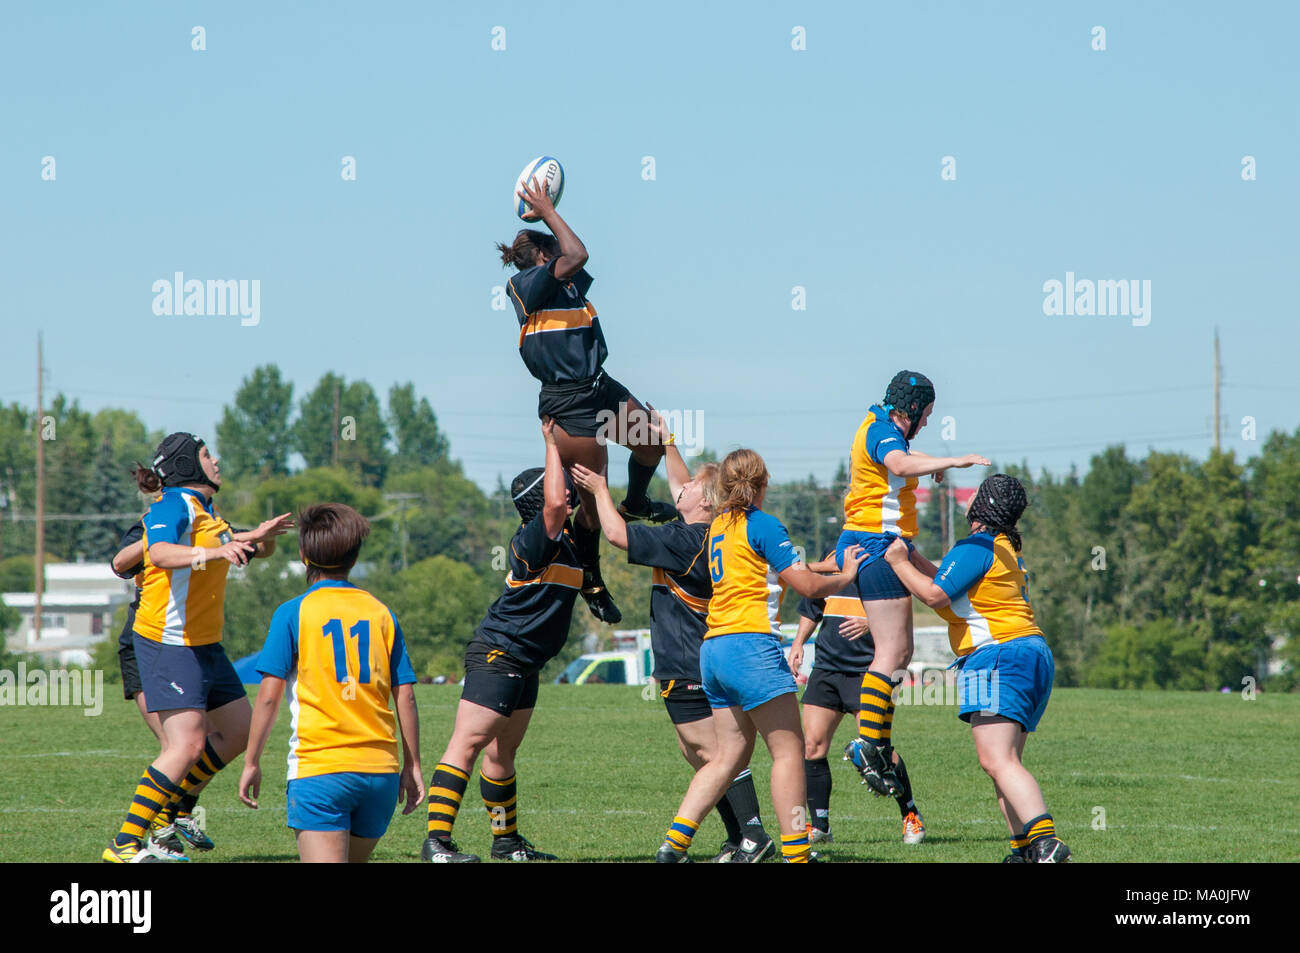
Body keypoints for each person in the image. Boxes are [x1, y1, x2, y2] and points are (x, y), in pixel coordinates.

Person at [571, 413, 776, 863]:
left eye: (689, 488)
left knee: (715, 754)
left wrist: (601, 490)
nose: (677, 488)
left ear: (707, 502)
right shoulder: (701, 528)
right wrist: (666, 442)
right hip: (681, 659)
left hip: (689, 659)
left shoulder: (688, 540)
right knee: (701, 754)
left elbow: (615, 533)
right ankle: (737, 836)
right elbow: (683, 481)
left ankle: (753, 836)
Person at [652, 448, 864, 864]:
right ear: (762, 484)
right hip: (752, 647)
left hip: (713, 650)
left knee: (728, 757)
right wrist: (846, 576)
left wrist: (820, 566)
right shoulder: (763, 524)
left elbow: (766, 568)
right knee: (788, 752)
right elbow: (804, 586)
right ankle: (798, 854)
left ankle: (673, 846)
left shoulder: (716, 528)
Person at [101, 433, 292, 863]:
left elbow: (250, 550)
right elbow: (164, 553)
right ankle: (125, 845)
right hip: (168, 640)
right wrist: (218, 551)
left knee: (240, 729)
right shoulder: (174, 505)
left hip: (203, 643)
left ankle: (174, 810)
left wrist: (262, 536)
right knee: (184, 745)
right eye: (207, 454)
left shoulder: (206, 511)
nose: (217, 460)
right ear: (188, 464)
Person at [499, 177, 674, 627]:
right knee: (594, 510)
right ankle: (591, 580)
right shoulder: (526, 285)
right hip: (569, 404)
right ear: (543, 257)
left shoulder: (567, 283)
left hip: (600, 387)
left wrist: (548, 219)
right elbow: (576, 252)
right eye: (552, 250)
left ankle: (637, 503)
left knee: (654, 441)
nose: (561, 255)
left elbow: (575, 258)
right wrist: (547, 210)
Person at [883, 473, 1070, 863]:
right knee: (1004, 764)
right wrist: (915, 557)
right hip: (1031, 653)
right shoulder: (1001, 547)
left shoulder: (975, 545)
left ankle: (1047, 844)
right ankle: (1023, 851)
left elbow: (935, 595)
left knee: (996, 760)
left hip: (997, 657)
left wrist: (899, 563)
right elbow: (952, 581)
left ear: (979, 506)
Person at [419, 418, 576, 863]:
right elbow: (554, 507)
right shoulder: (536, 538)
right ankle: (437, 843)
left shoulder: (568, 542)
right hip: (498, 652)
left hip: (526, 661)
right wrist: (550, 441)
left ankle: (505, 842)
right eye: (560, 486)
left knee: (502, 750)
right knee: (467, 743)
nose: (567, 492)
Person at [238, 503, 423, 863]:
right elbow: (406, 696)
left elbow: (268, 699)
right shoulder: (381, 611)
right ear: (353, 558)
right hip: (380, 773)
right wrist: (413, 766)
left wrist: (252, 761)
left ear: (303, 555)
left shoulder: (292, 612)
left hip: (320, 771)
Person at [835, 370, 989, 798]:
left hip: (870, 540)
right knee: (894, 652)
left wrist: (928, 467)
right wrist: (951, 462)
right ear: (914, 406)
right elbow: (898, 464)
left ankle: (876, 745)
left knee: (896, 652)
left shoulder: (878, 427)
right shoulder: (883, 431)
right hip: (878, 542)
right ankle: (870, 745)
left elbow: (899, 459)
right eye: (926, 414)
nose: (925, 423)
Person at [789, 552, 926, 846]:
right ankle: (821, 825)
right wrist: (798, 644)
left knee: (877, 750)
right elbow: (812, 604)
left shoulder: (885, 557)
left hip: (869, 669)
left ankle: (910, 814)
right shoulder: (834, 557)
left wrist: (872, 623)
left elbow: (901, 607)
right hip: (826, 668)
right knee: (811, 747)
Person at [108, 513, 215, 859]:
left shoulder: (204, 520)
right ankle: (141, 837)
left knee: (205, 740)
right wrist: (158, 539)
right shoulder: (155, 521)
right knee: (178, 747)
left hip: (187, 644)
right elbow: (121, 562)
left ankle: (173, 814)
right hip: (147, 643)